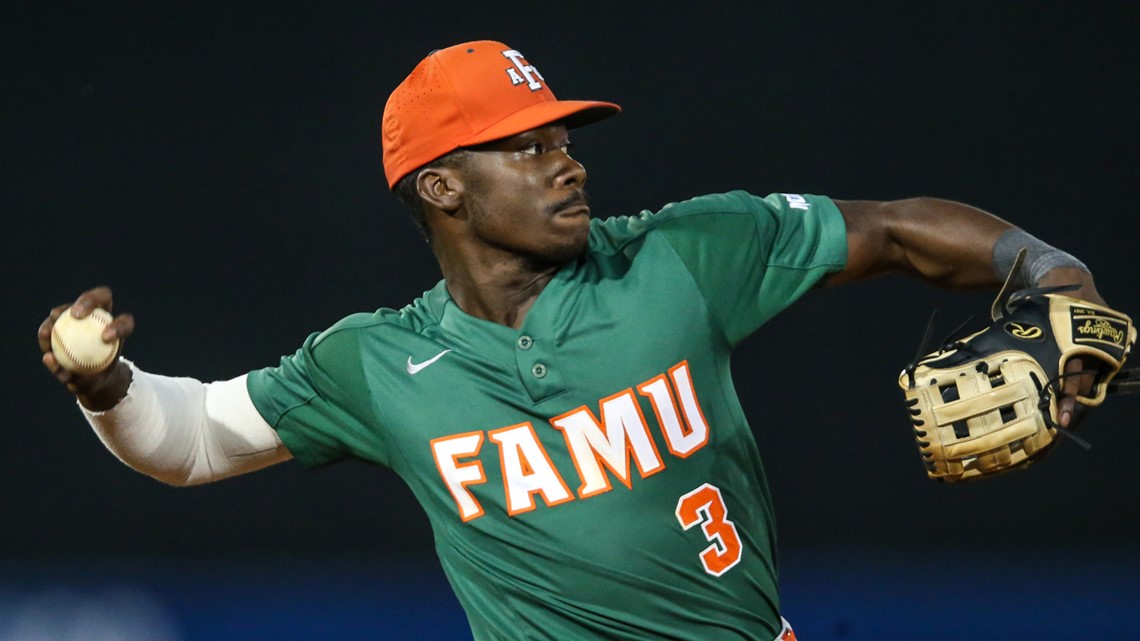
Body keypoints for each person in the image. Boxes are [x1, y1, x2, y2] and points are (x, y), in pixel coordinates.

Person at [39, 40, 1108, 641]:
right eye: (527, 145)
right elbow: (187, 438)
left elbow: (893, 228)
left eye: (564, 137)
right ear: (442, 185)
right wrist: (105, 382)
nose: (568, 162)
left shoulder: (679, 256)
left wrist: (1054, 270)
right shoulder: (375, 361)